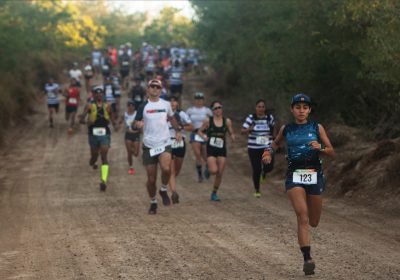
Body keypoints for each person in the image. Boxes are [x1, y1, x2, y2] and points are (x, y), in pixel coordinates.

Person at [262, 93, 335, 276]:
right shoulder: (287, 129)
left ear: (309, 110)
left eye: (304, 107)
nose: (301, 111)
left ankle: (307, 251)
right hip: (294, 176)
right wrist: (268, 152)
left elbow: (332, 152)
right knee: (302, 216)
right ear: (292, 109)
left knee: (314, 221)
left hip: (314, 175)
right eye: (297, 107)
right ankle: (307, 258)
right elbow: (275, 143)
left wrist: (321, 148)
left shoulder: (317, 127)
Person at [133, 79, 182, 214]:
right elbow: (134, 123)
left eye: (158, 87)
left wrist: (178, 130)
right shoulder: (143, 106)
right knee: (151, 179)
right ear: (148, 89)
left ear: (161, 90)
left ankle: (164, 189)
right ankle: (153, 201)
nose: (155, 89)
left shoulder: (166, 104)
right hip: (149, 145)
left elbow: (172, 118)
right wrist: (137, 125)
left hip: (164, 143)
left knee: (166, 169)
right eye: (152, 86)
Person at [197, 101, 236, 201]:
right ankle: (208, 168)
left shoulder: (227, 121)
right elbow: (199, 131)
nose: (218, 110)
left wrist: (232, 136)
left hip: (222, 149)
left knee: (220, 172)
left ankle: (214, 193)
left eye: (219, 107)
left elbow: (231, 131)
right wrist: (204, 137)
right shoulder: (208, 121)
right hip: (211, 148)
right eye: (216, 108)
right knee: (213, 171)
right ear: (212, 111)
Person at [79, 86, 115, 191]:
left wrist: (116, 124)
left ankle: (103, 180)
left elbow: (112, 118)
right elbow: (82, 118)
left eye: (101, 93)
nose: (99, 95)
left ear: (103, 95)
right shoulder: (89, 106)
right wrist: (85, 121)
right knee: (94, 155)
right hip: (93, 133)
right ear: (94, 95)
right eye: (97, 93)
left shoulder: (108, 106)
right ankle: (92, 160)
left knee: (104, 154)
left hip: (105, 133)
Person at [241, 99, 276, 198]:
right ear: (256, 108)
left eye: (263, 107)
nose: (261, 109)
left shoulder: (269, 117)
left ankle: (265, 172)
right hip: (253, 148)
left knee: (269, 166)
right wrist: (249, 129)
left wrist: (274, 139)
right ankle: (257, 190)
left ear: (265, 108)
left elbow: (274, 129)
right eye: (259, 107)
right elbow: (242, 131)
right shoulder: (251, 118)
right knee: (256, 169)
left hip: (267, 147)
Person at [167, 95, 193, 204]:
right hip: (168, 143)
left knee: (177, 169)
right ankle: (174, 192)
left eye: (174, 101)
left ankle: (169, 182)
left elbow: (191, 127)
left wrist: (181, 128)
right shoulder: (163, 114)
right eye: (170, 101)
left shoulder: (181, 114)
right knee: (171, 170)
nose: (172, 103)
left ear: (177, 103)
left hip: (180, 143)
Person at [186, 92, 213, 182]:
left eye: (200, 99)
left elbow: (214, 121)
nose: (199, 101)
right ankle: (200, 175)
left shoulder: (207, 110)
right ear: (195, 100)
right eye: (197, 99)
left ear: (203, 100)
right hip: (195, 134)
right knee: (197, 155)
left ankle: (208, 167)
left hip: (204, 134)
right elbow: (185, 120)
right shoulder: (190, 110)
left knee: (205, 156)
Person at [124, 101, 140, 175]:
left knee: (136, 153)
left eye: (132, 105)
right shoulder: (125, 114)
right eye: (129, 105)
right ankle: (131, 167)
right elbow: (120, 121)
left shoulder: (137, 114)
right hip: (128, 135)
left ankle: (133, 151)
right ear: (127, 106)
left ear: (134, 106)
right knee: (129, 152)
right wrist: (117, 125)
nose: (131, 107)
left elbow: (141, 122)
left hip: (136, 134)